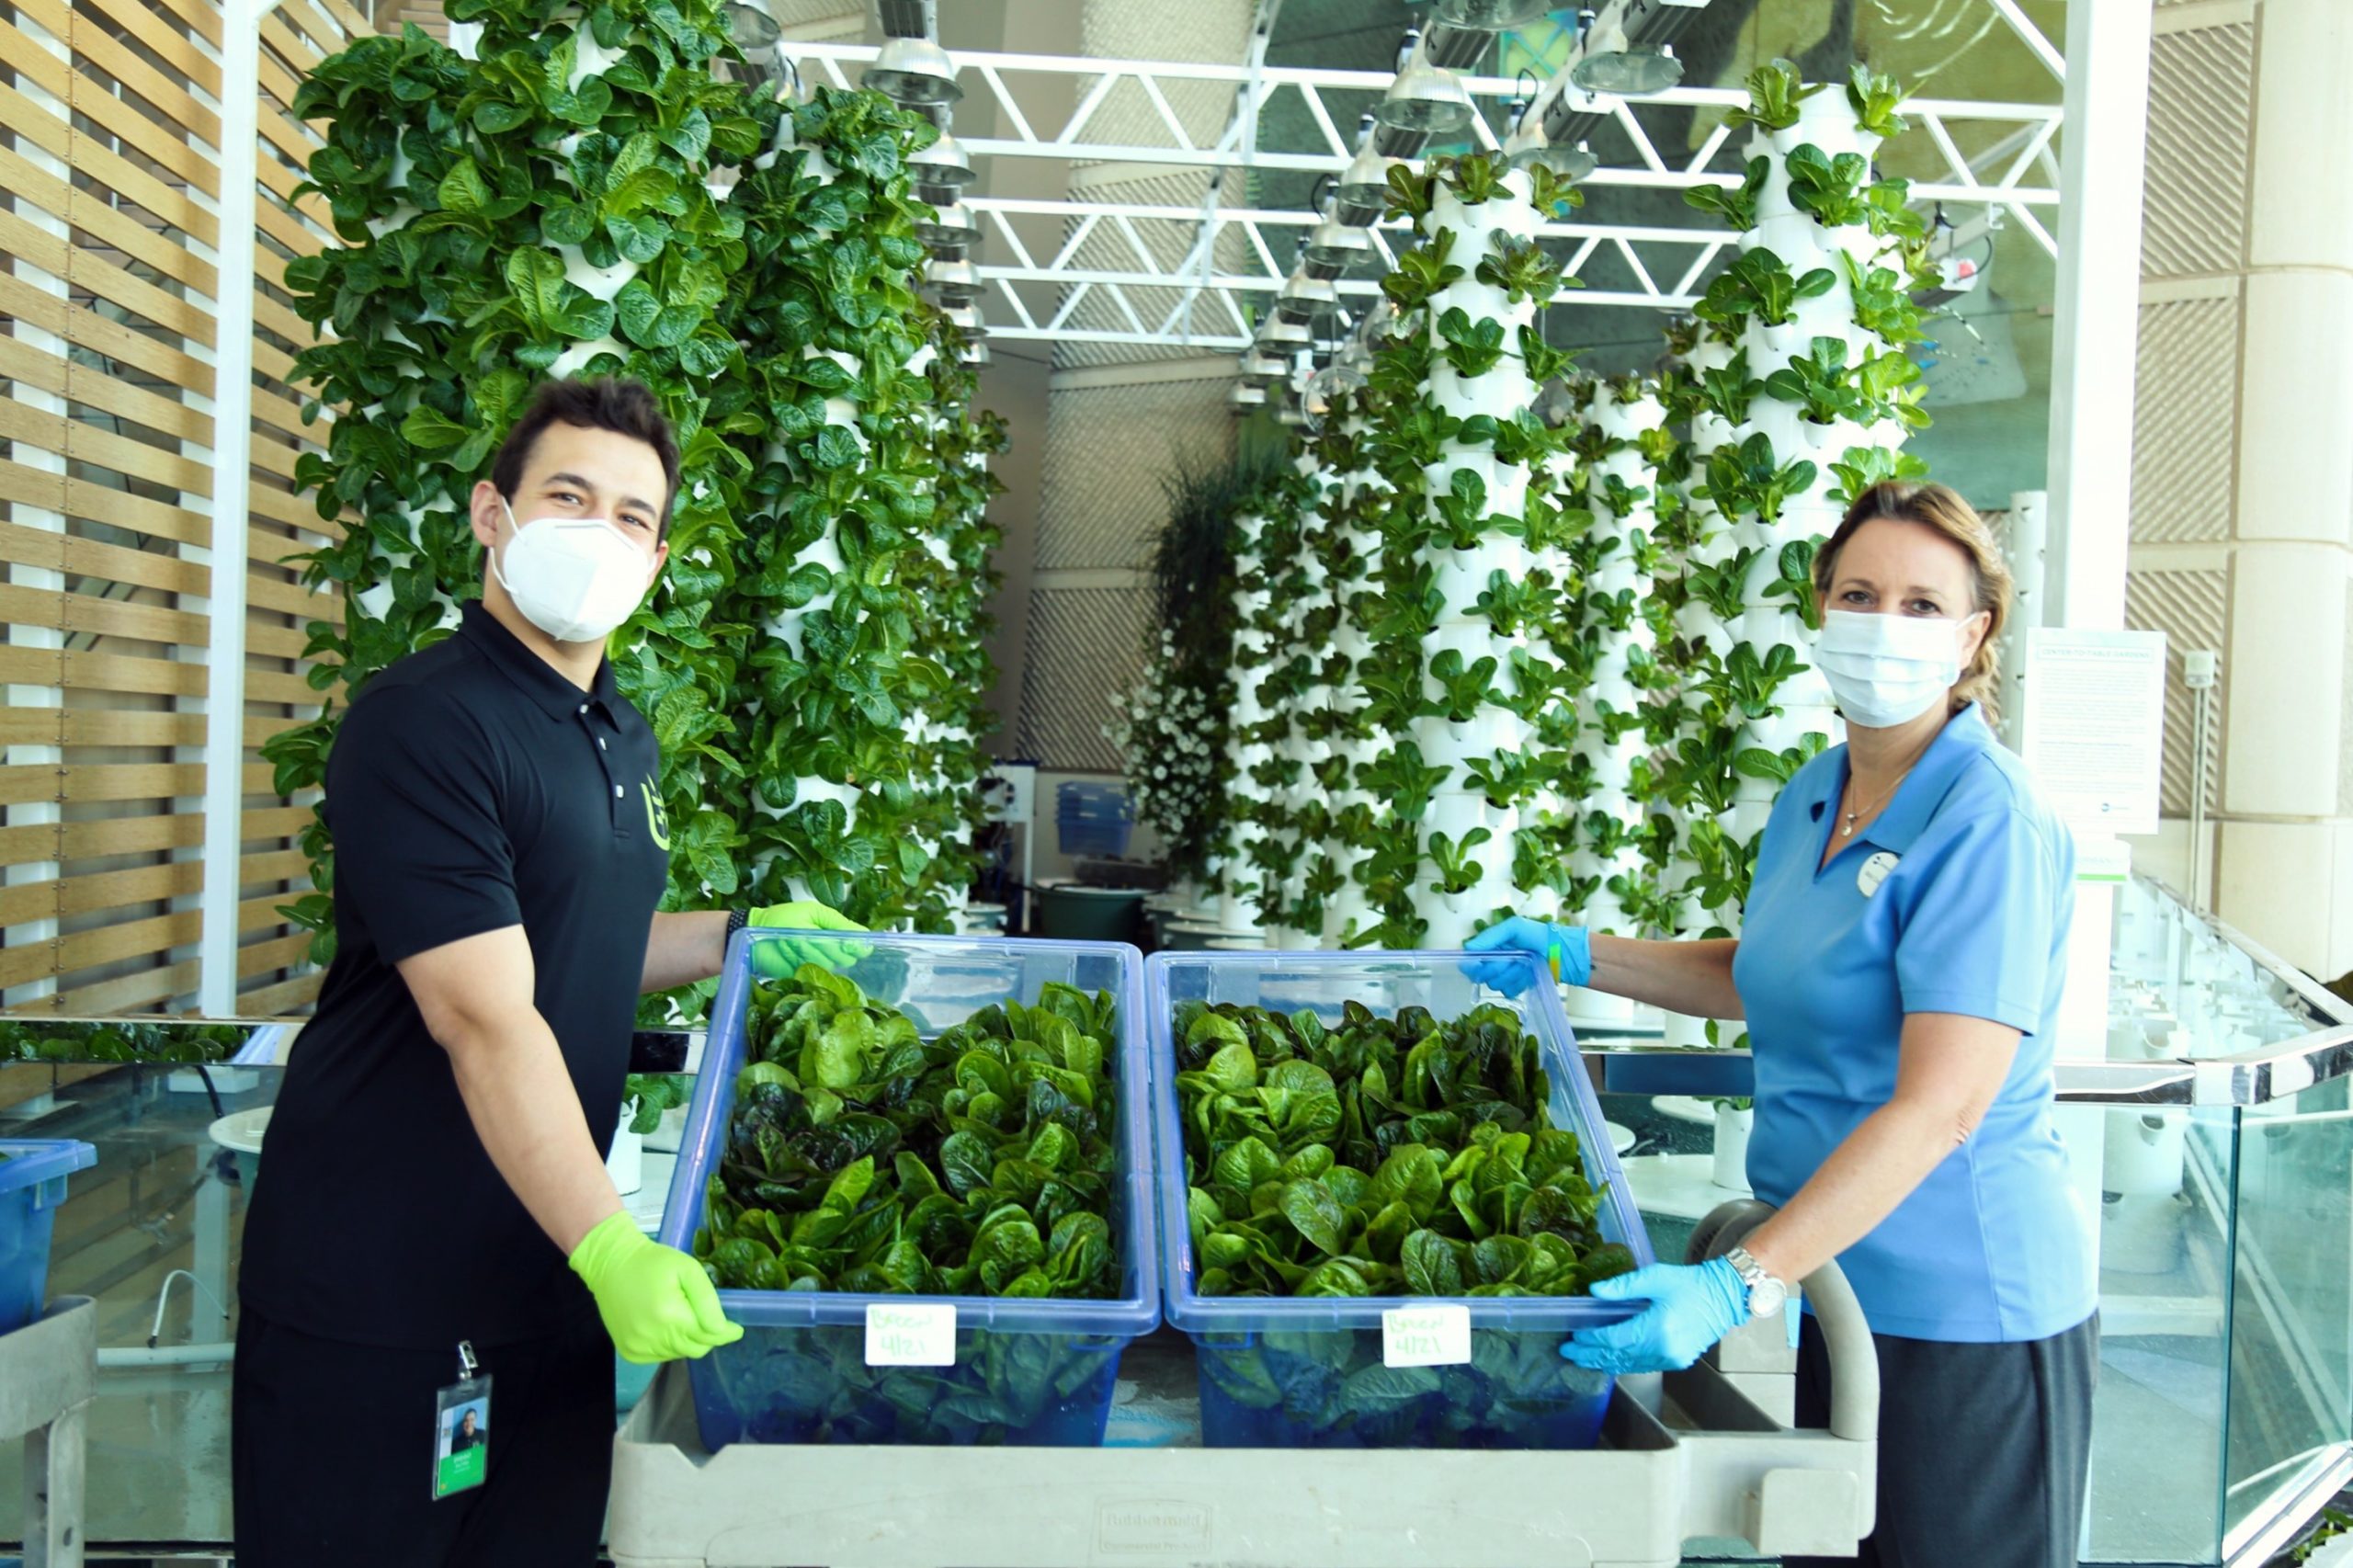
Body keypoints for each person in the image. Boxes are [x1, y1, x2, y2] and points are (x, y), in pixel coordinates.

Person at [233, 378, 865, 1567]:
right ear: (493, 513)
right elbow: (480, 1011)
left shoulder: (615, 731)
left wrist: (740, 935)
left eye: (633, 515)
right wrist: (611, 1244)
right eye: (568, 495)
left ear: (659, 555)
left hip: (544, 1284)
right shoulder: (427, 720)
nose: (600, 531)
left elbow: (575, 944)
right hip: (387, 1294)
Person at [1467, 481, 2096, 1568]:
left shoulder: (1987, 817)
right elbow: (1770, 974)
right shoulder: (1816, 792)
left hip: (1964, 1313)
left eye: (1919, 602)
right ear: (1820, 610)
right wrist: (1577, 952)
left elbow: (1942, 1105)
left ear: (1974, 632)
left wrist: (1732, 1280)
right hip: (1830, 1281)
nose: (1882, 623)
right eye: (1858, 592)